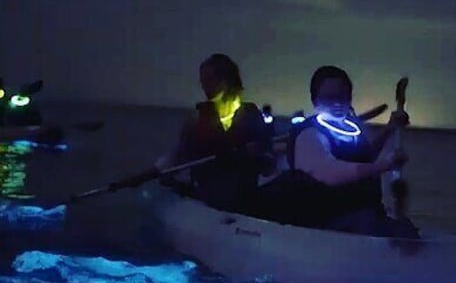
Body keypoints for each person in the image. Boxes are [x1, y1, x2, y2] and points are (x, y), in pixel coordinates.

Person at [276, 65, 419, 238]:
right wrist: (385, 165)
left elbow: (365, 158)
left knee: (404, 228)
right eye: (329, 97)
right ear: (314, 100)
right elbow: (329, 172)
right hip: (326, 221)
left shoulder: (352, 128)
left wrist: (390, 128)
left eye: (343, 97)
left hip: (365, 213)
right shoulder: (309, 133)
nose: (337, 103)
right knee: (394, 231)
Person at [137, 53, 275, 211]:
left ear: (225, 81)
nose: (202, 85)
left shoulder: (251, 116)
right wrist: (147, 174)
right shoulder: (196, 120)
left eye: (208, 80)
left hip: (242, 196)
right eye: (202, 81)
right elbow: (178, 155)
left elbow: (268, 165)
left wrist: (258, 154)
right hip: (209, 197)